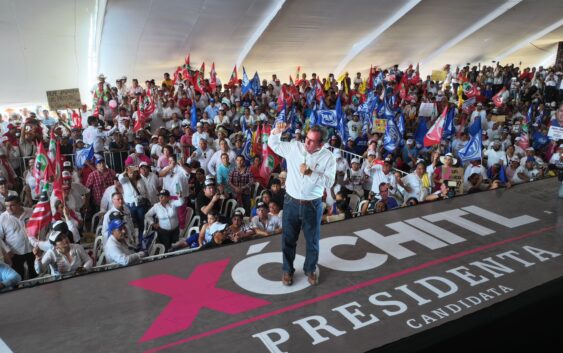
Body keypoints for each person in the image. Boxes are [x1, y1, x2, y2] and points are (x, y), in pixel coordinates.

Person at [268, 123, 336, 286]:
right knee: (288, 239)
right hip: (291, 202)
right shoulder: (294, 148)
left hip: (312, 205)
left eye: (312, 141)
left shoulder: (328, 157)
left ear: (321, 144)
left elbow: (329, 181)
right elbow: (273, 144)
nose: (307, 143)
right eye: (307, 138)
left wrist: (310, 173)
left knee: (312, 240)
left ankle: (310, 269)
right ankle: (287, 270)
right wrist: (277, 132)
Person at [0, 195, 36, 279]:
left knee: (34, 272)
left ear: (19, 204)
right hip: (15, 252)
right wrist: (7, 250)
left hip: (32, 249)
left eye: (12, 205)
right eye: (6, 206)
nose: (9, 208)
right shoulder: (2, 218)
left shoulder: (31, 212)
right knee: (18, 275)